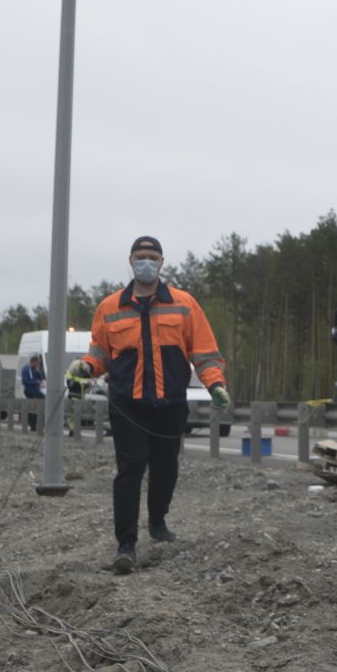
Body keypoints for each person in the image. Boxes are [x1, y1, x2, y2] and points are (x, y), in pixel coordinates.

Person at [71, 237, 230, 574]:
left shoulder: (185, 304)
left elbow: (203, 352)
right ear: (130, 261)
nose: (146, 262)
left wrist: (215, 384)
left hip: (170, 403)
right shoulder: (110, 307)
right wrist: (85, 368)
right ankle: (125, 544)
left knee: (165, 466)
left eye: (152, 257)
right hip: (127, 403)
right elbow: (100, 352)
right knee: (130, 469)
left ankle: (158, 520)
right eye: (141, 257)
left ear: (161, 262)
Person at [20, 352, 44, 430]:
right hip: (29, 391)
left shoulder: (35, 370)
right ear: (33, 362)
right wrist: (34, 383)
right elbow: (24, 381)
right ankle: (32, 425)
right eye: (37, 363)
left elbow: (41, 378)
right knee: (32, 408)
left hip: (36, 391)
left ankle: (39, 422)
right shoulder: (26, 369)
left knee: (43, 401)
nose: (37, 365)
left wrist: (38, 371)